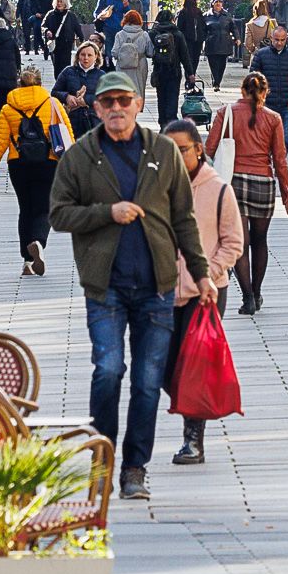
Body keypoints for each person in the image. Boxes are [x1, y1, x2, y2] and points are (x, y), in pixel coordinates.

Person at [47, 73, 209, 499]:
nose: (116, 108)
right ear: (97, 109)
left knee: (146, 381)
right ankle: (102, 460)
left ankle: (135, 468)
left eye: (124, 100)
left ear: (137, 104)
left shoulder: (162, 151)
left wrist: (202, 272)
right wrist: (106, 212)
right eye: (108, 102)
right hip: (106, 286)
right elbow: (59, 215)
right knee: (109, 370)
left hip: (157, 285)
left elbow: (184, 218)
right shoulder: (81, 156)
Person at [165, 112, 242, 465]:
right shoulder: (153, 189)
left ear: (198, 150)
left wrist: (205, 274)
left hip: (205, 292)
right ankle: (190, 420)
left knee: (192, 367)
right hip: (163, 291)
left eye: (180, 150)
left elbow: (233, 243)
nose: (174, 157)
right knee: (163, 368)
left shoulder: (219, 190)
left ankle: (193, 438)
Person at [208, 65, 288, 314]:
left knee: (239, 243)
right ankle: (257, 291)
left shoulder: (226, 113)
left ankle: (247, 296)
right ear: (265, 92)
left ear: (241, 90)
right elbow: (280, 159)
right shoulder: (274, 118)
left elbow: (209, 150)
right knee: (260, 241)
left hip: (233, 182)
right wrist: (287, 195)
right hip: (263, 184)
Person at [0, 63, 72, 277]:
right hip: (48, 162)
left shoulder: (7, 107)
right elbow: (67, 135)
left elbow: (0, 141)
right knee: (44, 208)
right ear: (40, 83)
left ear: (19, 83)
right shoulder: (53, 104)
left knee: (26, 209)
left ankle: (27, 262)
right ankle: (38, 243)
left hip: (18, 164)